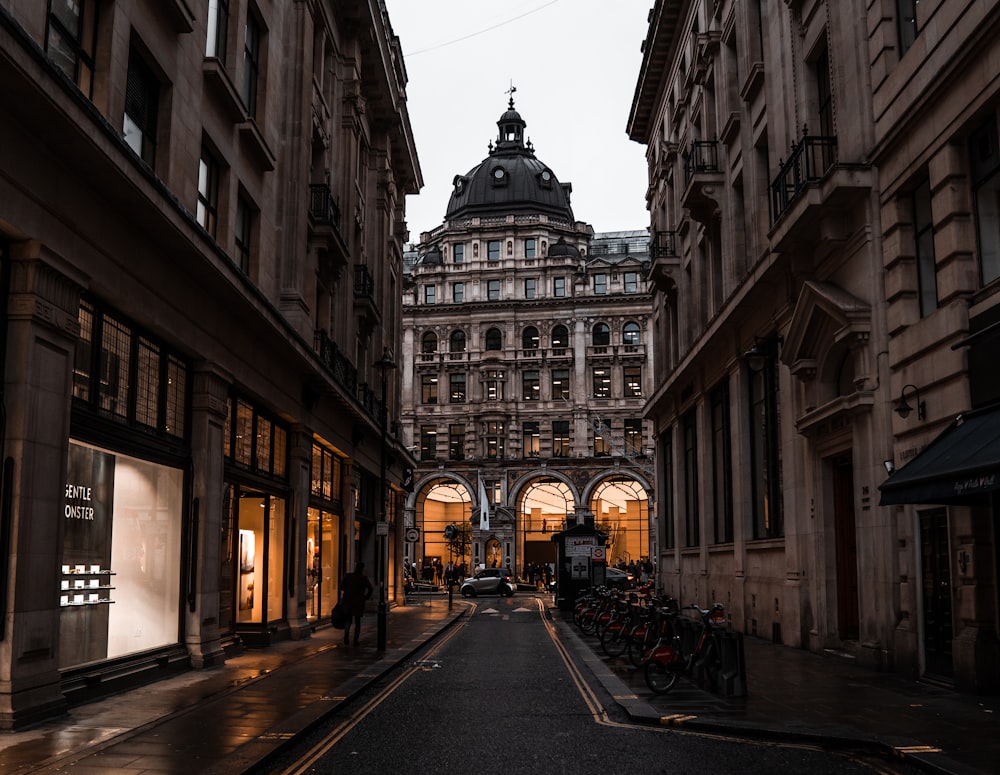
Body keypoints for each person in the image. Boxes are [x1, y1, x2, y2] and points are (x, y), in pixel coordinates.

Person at [339, 561, 373, 646]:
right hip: (358, 602)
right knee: (357, 621)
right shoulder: (363, 578)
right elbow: (371, 589)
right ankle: (355, 640)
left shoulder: (348, 576)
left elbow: (341, 587)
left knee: (348, 620)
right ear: (362, 569)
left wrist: (348, 592)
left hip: (348, 601)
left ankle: (346, 637)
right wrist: (365, 597)